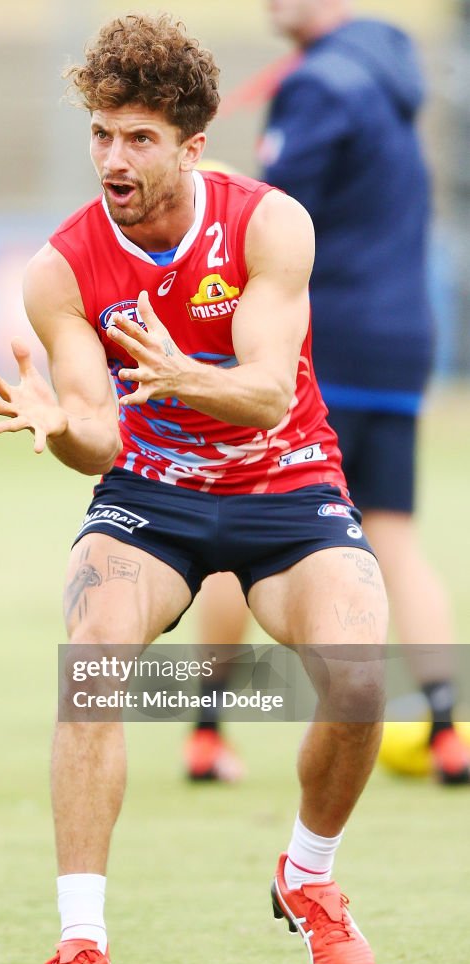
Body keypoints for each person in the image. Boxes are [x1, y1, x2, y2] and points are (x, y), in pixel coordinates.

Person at [0, 13, 388, 964]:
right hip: (150, 499)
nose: (111, 158)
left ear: (190, 145)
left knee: (359, 676)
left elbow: (259, 389)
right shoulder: (61, 271)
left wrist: (176, 373)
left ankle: (307, 874)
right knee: (94, 656)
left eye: (138, 138)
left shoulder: (266, 223)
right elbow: (99, 435)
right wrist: (55, 427)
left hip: (284, 482)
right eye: (100, 134)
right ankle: (82, 942)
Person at [192, 0, 470, 786]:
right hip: (401, 339)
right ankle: (448, 730)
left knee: (228, 522)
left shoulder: (317, 84)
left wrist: (208, 187)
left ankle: (208, 733)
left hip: (324, 343)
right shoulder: (391, 69)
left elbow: (270, 219)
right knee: (394, 532)